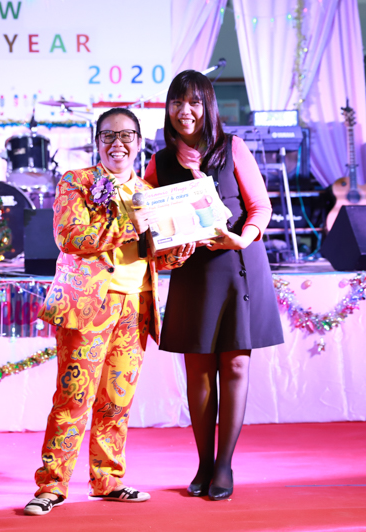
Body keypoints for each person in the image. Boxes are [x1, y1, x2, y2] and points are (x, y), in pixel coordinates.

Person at [24, 108, 191, 516]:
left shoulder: (150, 191)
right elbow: (69, 236)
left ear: (139, 142)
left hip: (136, 305)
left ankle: (108, 479)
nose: (118, 143)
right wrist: (132, 224)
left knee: (117, 400)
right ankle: (51, 486)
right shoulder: (77, 182)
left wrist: (179, 251)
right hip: (88, 306)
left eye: (127, 135)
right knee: (74, 398)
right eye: (109, 136)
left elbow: (157, 254)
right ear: (97, 141)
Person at [144, 70, 285, 501]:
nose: (185, 111)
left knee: (236, 365)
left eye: (194, 102)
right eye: (177, 102)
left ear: (208, 106)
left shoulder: (232, 147)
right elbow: (148, 223)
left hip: (238, 262)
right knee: (199, 370)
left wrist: (243, 238)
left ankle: (224, 465)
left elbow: (260, 207)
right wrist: (166, 249)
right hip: (194, 272)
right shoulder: (158, 162)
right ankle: (204, 463)